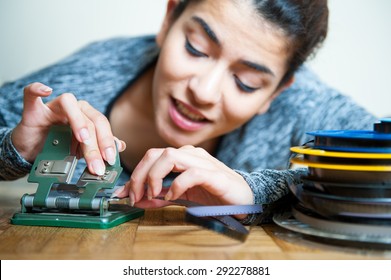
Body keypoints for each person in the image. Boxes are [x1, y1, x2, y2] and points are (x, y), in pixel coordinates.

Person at [0, 0, 377, 222]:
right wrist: (15, 148)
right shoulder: (87, 74)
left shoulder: (301, 101)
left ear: (277, 92)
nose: (204, 91)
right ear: (168, 19)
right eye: (195, 48)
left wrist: (256, 191)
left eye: (246, 82)